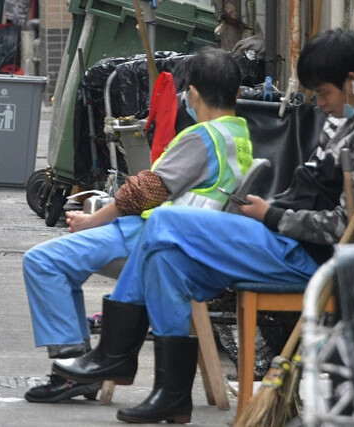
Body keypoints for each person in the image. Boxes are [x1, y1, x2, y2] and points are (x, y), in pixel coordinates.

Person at [54, 29, 354, 424]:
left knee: (164, 219)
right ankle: (171, 395)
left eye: (323, 93)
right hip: (281, 238)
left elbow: (343, 227)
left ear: (352, 82)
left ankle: (115, 353)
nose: (319, 103)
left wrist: (270, 215)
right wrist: (270, 211)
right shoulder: (350, 116)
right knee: (166, 261)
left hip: (306, 256)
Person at [23, 48, 252, 403]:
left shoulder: (202, 138)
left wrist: (91, 220)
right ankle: (81, 365)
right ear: (236, 93)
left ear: (191, 94)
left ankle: (71, 369)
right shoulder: (240, 135)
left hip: (156, 237)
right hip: (192, 242)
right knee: (60, 263)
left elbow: (144, 191)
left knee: (43, 262)